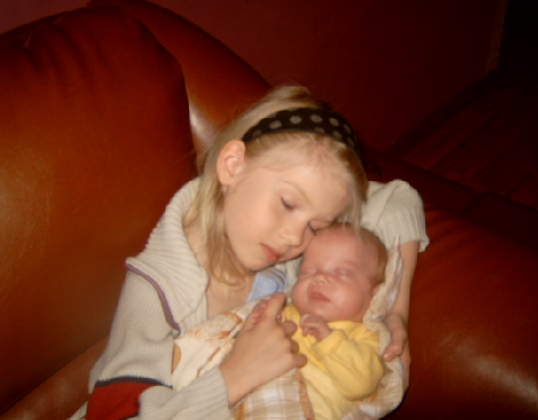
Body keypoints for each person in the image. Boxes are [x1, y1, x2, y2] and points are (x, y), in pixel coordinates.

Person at [72, 85, 428, 420]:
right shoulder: (156, 291)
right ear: (232, 166)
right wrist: (233, 378)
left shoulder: (288, 253)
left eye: (316, 226)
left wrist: (396, 312)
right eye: (288, 203)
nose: (294, 238)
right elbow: (115, 412)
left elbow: (399, 200)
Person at [171, 223, 391, 420]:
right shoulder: (285, 311)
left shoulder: (364, 336)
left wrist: (330, 340)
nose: (320, 278)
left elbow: (360, 385)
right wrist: (257, 319)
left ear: (374, 295)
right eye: (308, 272)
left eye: (342, 273)